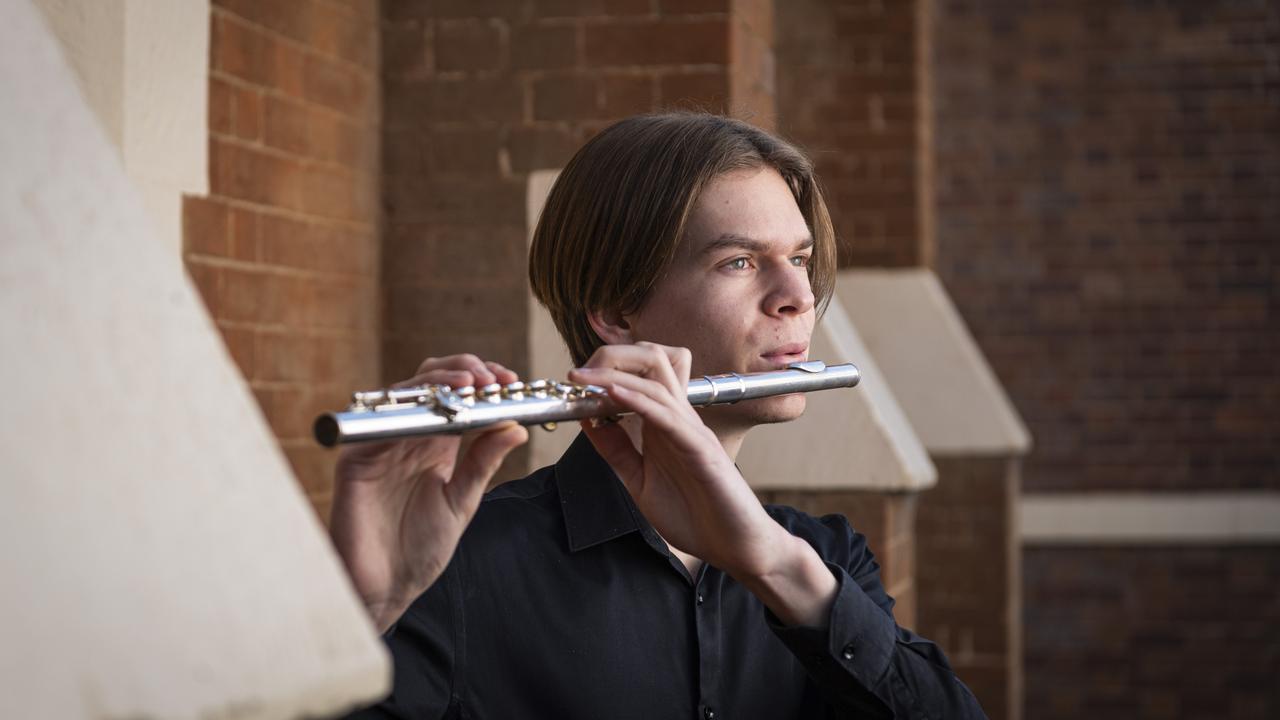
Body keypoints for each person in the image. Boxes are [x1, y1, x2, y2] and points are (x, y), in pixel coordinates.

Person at [332, 113, 987, 719]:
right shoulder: (466, 567)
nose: (798, 298)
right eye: (738, 261)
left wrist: (775, 567)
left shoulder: (822, 559)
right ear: (617, 312)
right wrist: (364, 615)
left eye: (799, 260)